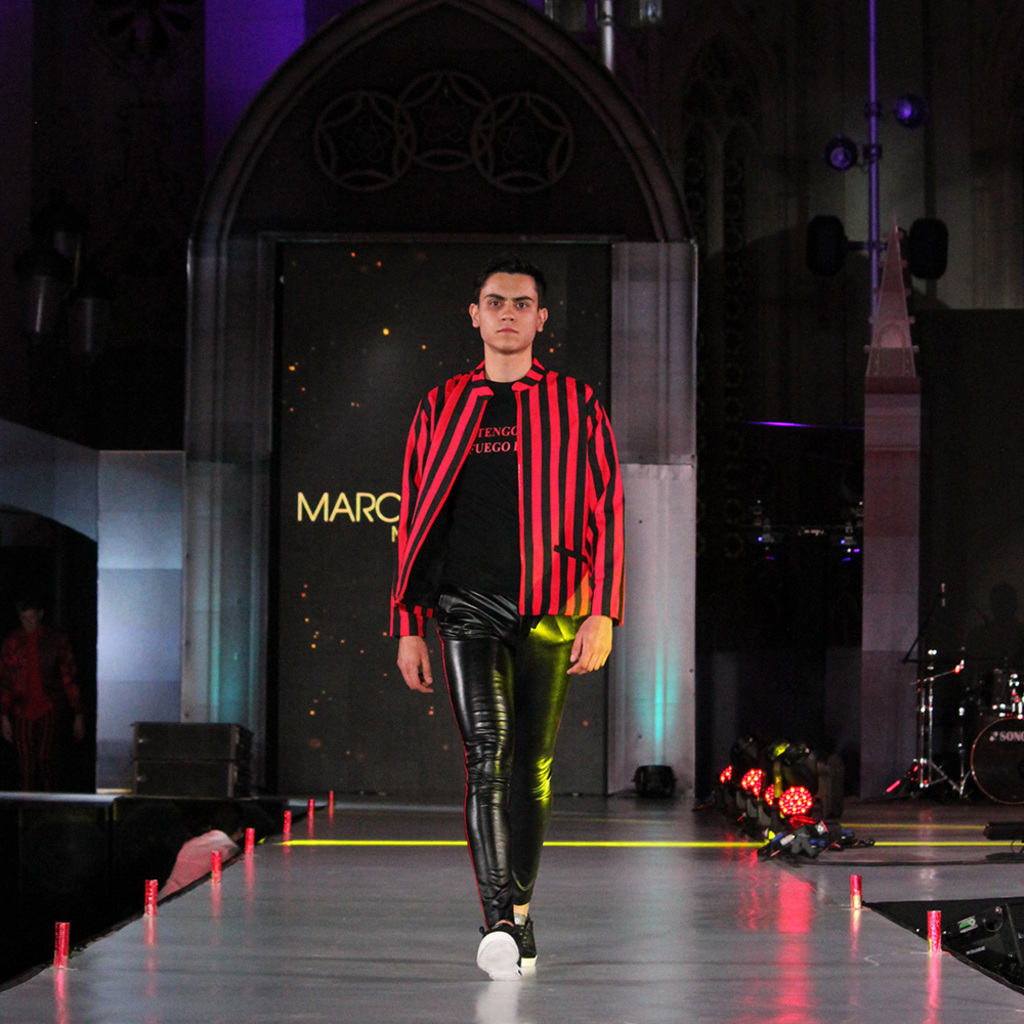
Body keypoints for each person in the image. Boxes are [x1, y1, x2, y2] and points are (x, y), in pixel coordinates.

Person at [390, 254, 624, 980]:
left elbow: (608, 508)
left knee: (533, 766)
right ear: (475, 314)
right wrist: (407, 623)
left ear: (541, 319)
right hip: (466, 606)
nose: (508, 314)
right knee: (487, 756)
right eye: (495, 302)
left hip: (554, 605)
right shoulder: (440, 406)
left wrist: (604, 612)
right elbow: (414, 517)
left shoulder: (577, 403)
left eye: (522, 304)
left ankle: (519, 910)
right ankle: (497, 920)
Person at [0, 596, 84, 791]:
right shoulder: (12, 642)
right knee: (25, 764)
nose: (29, 623)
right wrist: (3, 716)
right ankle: (27, 804)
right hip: (21, 710)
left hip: (48, 707)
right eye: (24, 618)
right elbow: (5, 680)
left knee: (46, 761)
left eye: (32, 618)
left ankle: (47, 803)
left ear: (40, 615)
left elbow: (69, 678)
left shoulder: (55, 641)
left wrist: (78, 713)